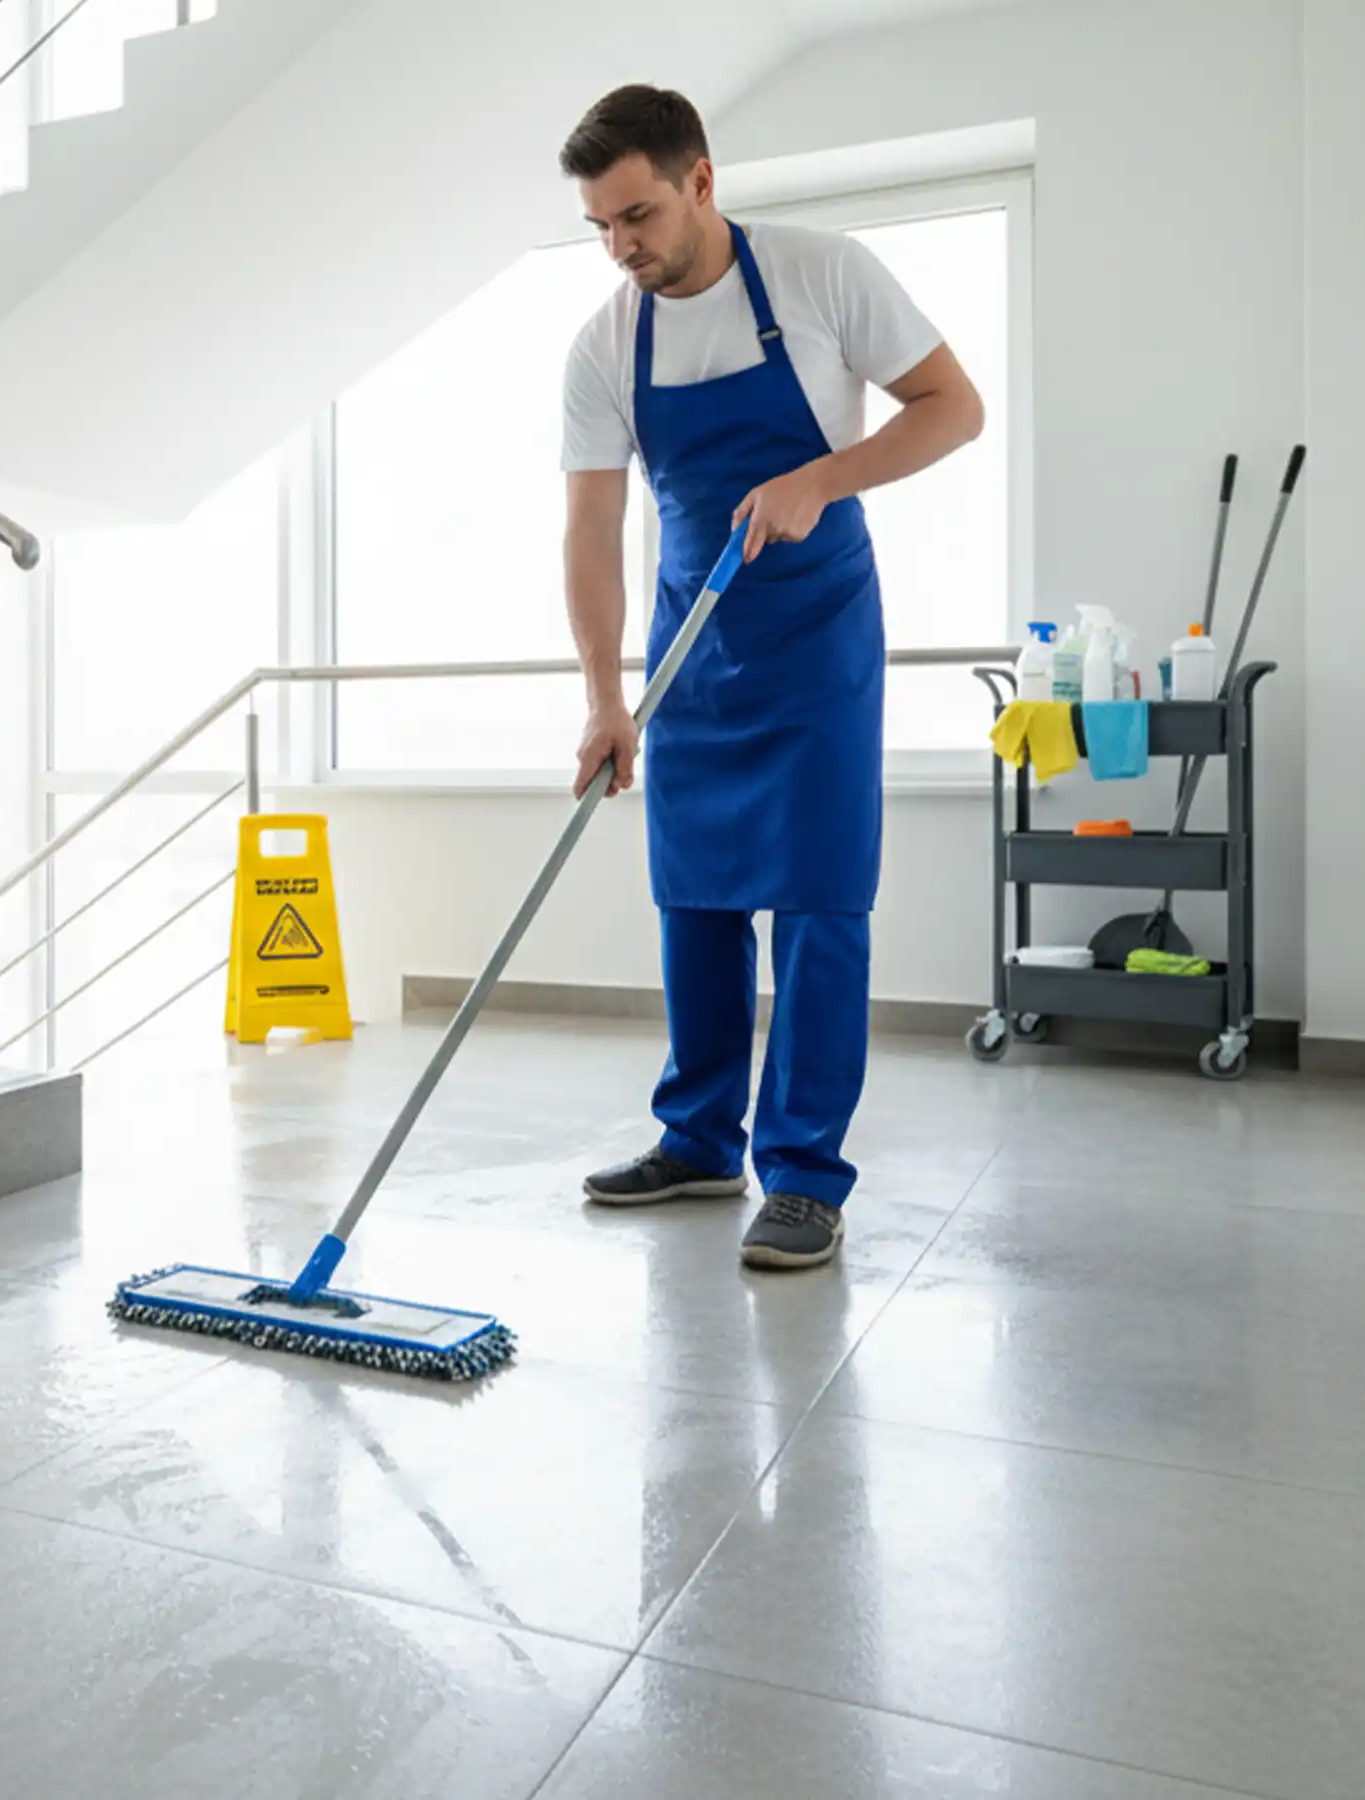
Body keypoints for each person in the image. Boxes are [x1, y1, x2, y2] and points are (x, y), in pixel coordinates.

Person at [559, 85, 984, 1269]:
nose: (622, 247)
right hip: (690, 647)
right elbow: (592, 532)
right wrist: (605, 696)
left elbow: (955, 409)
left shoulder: (819, 275)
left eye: (637, 215)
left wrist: (825, 477)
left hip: (817, 639)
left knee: (817, 902)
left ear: (701, 179)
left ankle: (802, 1175)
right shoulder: (608, 341)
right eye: (600, 226)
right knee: (691, 899)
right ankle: (697, 1141)